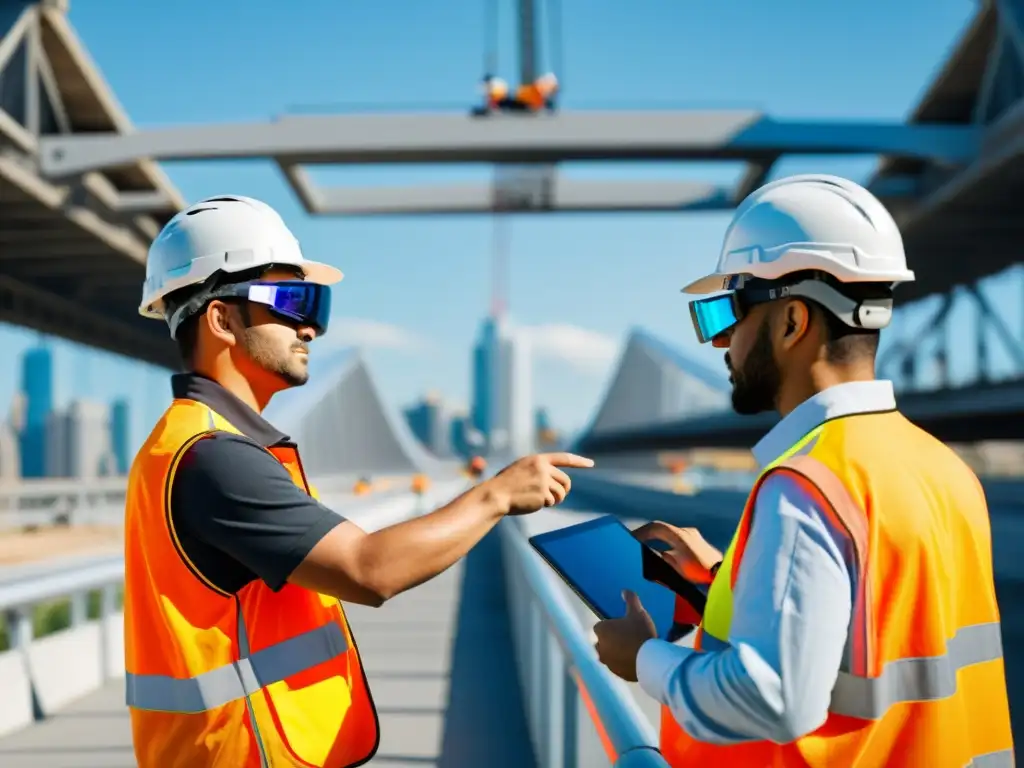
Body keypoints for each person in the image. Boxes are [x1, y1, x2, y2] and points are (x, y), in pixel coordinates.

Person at [122, 194, 594, 768]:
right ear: (221, 318)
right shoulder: (213, 457)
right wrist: (495, 495)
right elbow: (370, 570)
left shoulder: (190, 442)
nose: (309, 328)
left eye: (315, 306)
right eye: (290, 301)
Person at [592, 175, 1013, 766]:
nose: (721, 344)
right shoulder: (942, 468)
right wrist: (716, 578)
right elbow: (869, 626)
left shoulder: (808, 485)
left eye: (727, 313)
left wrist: (643, 659)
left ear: (791, 322)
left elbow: (776, 697)